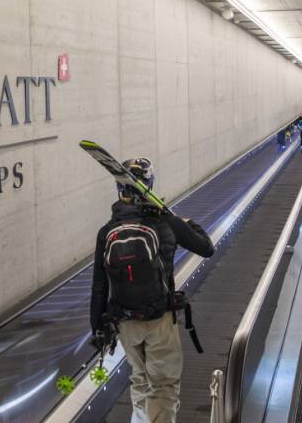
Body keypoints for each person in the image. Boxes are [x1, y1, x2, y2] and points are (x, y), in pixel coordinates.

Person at [91, 157, 214, 422]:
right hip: (159, 318)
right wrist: (186, 221)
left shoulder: (107, 230)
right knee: (163, 384)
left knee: (140, 380)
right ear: (149, 184)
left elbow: (99, 284)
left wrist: (98, 329)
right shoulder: (165, 223)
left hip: (124, 321)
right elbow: (206, 248)